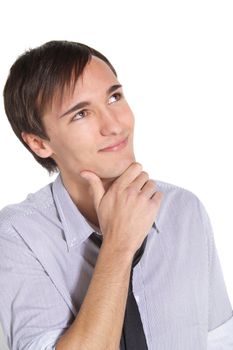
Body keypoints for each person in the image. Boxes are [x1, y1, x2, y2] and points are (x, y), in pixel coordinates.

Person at [0, 40, 232, 350]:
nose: (114, 125)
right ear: (40, 143)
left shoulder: (184, 211)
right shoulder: (17, 237)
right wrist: (119, 246)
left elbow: (219, 341)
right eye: (81, 114)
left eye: (114, 97)